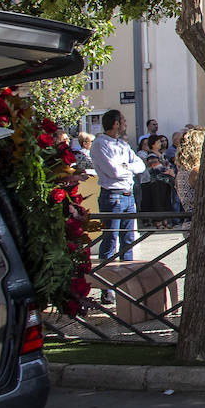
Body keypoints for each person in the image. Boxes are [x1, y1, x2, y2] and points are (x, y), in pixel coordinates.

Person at [90, 109, 148, 304]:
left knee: (128, 239)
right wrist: (125, 168)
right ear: (115, 123)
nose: (125, 124)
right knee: (110, 239)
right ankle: (107, 288)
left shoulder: (122, 145)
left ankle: (128, 284)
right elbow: (113, 171)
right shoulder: (99, 144)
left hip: (128, 195)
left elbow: (140, 166)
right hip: (112, 196)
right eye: (123, 120)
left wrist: (126, 167)